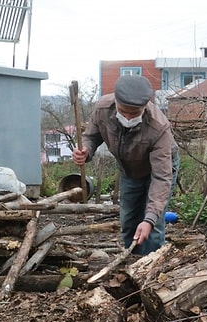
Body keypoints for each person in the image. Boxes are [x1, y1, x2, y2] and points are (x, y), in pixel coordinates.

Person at [72, 75, 179, 255]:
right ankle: (130, 260)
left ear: (144, 107)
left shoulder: (158, 128)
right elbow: (91, 136)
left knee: (153, 224)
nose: (128, 117)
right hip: (129, 170)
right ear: (116, 101)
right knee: (129, 220)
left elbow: (161, 178)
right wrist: (86, 151)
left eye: (134, 113)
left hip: (159, 169)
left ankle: (149, 266)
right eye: (124, 111)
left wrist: (150, 219)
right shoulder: (102, 109)